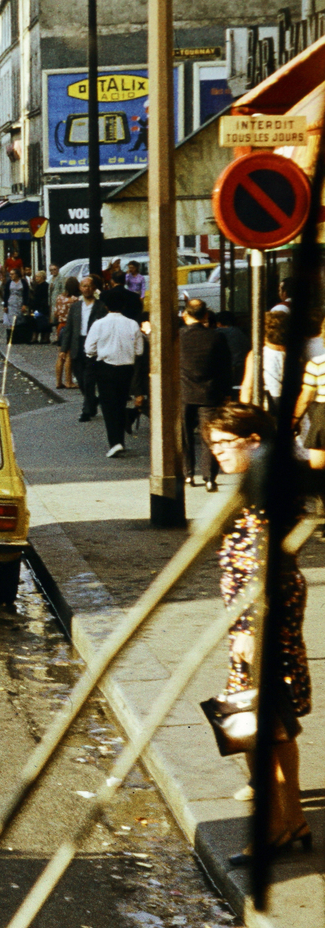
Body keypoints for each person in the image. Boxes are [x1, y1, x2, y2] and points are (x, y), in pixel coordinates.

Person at [204, 402, 313, 865]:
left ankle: (273, 828)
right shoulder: (257, 490)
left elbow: (269, 568)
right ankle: (292, 819)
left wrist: (251, 630)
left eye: (227, 443)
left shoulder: (265, 493)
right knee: (278, 729)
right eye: (212, 445)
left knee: (254, 729)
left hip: (262, 629)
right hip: (257, 627)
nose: (218, 453)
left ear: (254, 443)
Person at [85, 291, 144, 457]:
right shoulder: (132, 324)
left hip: (105, 367)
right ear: (123, 306)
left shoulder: (98, 324)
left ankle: (115, 442)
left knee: (108, 406)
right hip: (126, 368)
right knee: (120, 402)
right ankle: (120, 440)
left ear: (106, 306)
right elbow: (139, 350)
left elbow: (89, 349)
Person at [179, 299, 230, 490]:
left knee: (184, 435)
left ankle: (188, 474)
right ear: (206, 316)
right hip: (210, 392)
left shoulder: (178, 336)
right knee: (209, 435)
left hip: (184, 392)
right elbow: (225, 367)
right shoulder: (217, 337)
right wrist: (226, 393)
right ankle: (209, 478)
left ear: (185, 315)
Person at [65, 276, 106, 421]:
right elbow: (69, 327)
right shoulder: (75, 307)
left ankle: (86, 410)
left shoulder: (101, 307)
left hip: (93, 345)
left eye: (89, 286)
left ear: (94, 288)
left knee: (89, 379)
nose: (86, 289)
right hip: (78, 344)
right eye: (84, 286)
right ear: (80, 288)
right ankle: (92, 401)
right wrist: (64, 349)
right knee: (81, 379)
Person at [242, 311, 288, 409]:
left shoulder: (256, 355)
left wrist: (245, 410)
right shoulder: (297, 353)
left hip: (267, 407)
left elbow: (248, 387)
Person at [53, 277, 80, 388]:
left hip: (60, 326)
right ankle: (69, 381)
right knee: (69, 355)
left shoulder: (59, 298)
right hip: (70, 327)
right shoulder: (75, 300)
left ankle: (58, 382)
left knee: (61, 355)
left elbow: (55, 313)